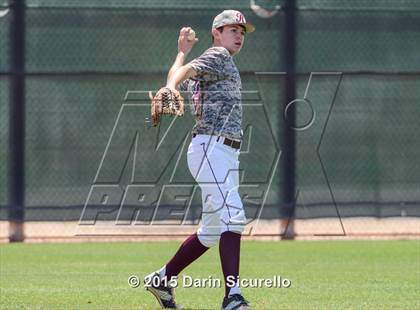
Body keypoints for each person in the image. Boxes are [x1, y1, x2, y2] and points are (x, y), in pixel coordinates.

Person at [145, 10, 255, 310]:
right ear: (216, 32)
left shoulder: (213, 62)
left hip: (220, 152)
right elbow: (185, 73)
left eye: (242, 31)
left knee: (211, 231)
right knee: (234, 216)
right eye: (232, 29)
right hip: (212, 150)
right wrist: (173, 85)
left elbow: (183, 71)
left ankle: (162, 279)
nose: (239, 35)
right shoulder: (218, 55)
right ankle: (232, 297)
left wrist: (180, 54)